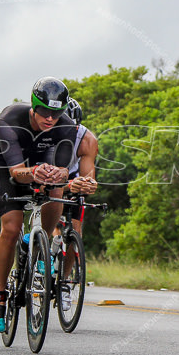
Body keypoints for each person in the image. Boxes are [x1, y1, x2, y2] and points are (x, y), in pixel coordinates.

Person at [0, 76, 77, 332]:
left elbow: (62, 167)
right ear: (34, 106)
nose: (50, 118)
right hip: (10, 168)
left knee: (57, 187)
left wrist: (58, 174)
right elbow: (16, 172)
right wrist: (33, 172)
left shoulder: (66, 125)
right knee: (12, 229)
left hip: (43, 165)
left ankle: (41, 243)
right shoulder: (9, 119)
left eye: (56, 113)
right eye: (45, 112)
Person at [54, 97, 99, 309]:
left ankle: (63, 282)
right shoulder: (42, 134)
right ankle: (43, 251)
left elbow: (88, 175)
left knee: (75, 232)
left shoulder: (87, 139)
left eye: (71, 128)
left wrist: (89, 184)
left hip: (70, 178)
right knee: (49, 222)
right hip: (46, 176)